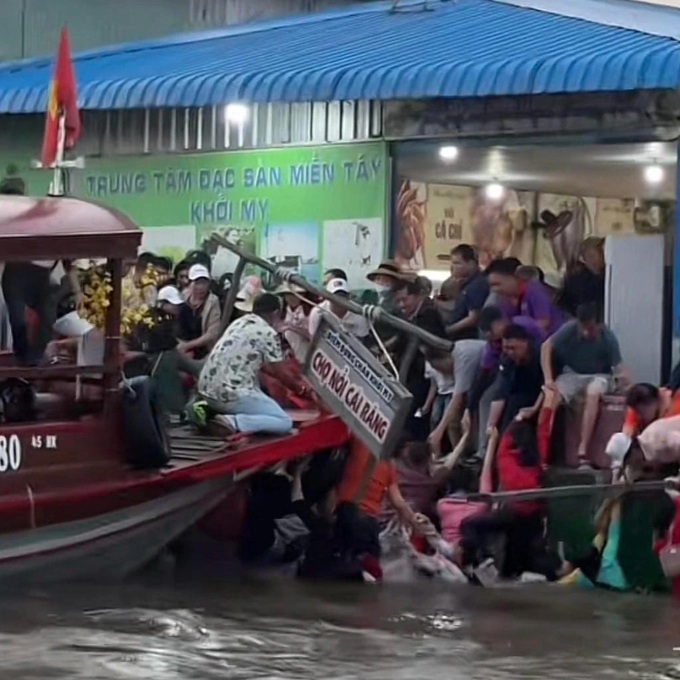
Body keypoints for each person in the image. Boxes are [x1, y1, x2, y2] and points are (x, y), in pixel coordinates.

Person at [192, 293, 309, 435]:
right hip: (229, 394)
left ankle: (209, 411)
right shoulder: (267, 332)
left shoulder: (238, 323)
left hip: (206, 390)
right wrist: (302, 390)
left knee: (255, 387)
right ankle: (231, 422)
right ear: (276, 313)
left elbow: (266, 367)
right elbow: (280, 373)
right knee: (283, 421)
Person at [541, 302, 628, 468]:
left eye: (591, 327)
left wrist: (624, 381)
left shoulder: (607, 336)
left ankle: (583, 449)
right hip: (572, 374)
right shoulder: (569, 329)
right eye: (584, 327)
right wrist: (548, 379)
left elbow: (618, 367)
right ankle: (543, 452)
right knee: (552, 395)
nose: (587, 331)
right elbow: (546, 347)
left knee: (593, 393)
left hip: (599, 375)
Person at [334, 436, 423, 580]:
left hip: (346, 515)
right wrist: (417, 526)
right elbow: (398, 502)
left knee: (341, 569)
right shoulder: (388, 464)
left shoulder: (359, 444)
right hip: (369, 524)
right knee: (371, 572)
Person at [428, 338, 486, 455]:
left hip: (492, 375)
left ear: (447, 359)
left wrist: (439, 431)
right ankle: (459, 455)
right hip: (478, 382)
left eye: (440, 369)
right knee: (454, 421)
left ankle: (477, 453)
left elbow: (457, 398)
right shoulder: (458, 347)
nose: (442, 373)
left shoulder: (462, 359)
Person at [487, 324, 544, 434]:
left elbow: (547, 385)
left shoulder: (540, 356)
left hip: (540, 397)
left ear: (525, 343)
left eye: (513, 348)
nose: (510, 352)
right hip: (517, 399)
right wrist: (491, 425)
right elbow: (501, 393)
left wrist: (535, 408)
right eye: (507, 348)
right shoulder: (507, 360)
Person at [486, 257, 564, 335]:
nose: (494, 290)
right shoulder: (504, 300)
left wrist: (521, 325)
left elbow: (544, 323)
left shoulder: (535, 290)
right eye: (491, 286)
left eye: (497, 284)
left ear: (515, 278)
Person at [445, 244, 489, 340]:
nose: (452, 268)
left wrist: (448, 330)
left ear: (472, 263)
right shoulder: (466, 283)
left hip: (465, 338)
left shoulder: (477, 285)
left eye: (457, 263)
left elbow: (473, 318)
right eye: (452, 263)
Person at [178, 264, 221, 359]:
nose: (201, 287)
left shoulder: (213, 301)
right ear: (190, 283)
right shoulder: (184, 295)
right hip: (181, 343)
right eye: (197, 282)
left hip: (203, 350)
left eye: (204, 283)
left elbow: (212, 334)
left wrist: (188, 346)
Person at [559, 237, 605, 321]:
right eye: (590, 256)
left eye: (596, 255)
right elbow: (564, 306)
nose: (594, 260)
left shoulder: (612, 276)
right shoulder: (575, 279)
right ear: (583, 259)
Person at [275, 283, 311, 363]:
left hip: (306, 358)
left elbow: (312, 336)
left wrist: (291, 327)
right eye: (288, 295)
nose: (291, 298)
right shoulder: (283, 312)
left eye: (295, 295)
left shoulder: (308, 313)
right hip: (289, 358)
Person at [422, 347, 456, 433]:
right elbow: (433, 385)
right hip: (440, 393)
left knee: (448, 419)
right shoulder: (428, 365)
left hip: (452, 391)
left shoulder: (449, 360)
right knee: (434, 418)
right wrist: (427, 405)